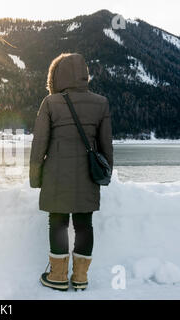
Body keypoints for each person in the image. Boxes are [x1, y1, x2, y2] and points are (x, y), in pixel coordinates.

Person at [29, 53, 113, 291]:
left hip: (55, 175)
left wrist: (35, 179)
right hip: (88, 175)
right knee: (84, 225)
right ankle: (80, 278)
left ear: (56, 75)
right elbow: (106, 145)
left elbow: (39, 145)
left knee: (57, 223)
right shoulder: (101, 103)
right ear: (84, 75)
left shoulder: (51, 103)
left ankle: (57, 277)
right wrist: (104, 175)